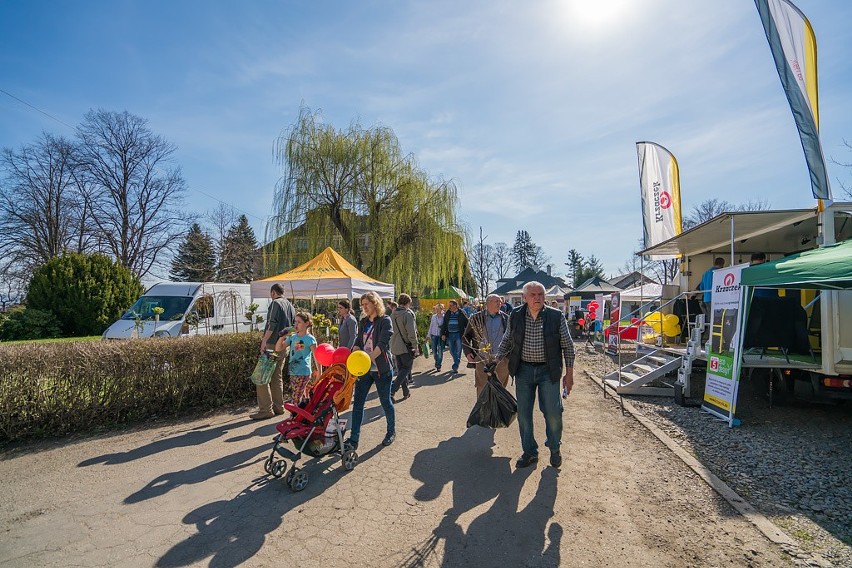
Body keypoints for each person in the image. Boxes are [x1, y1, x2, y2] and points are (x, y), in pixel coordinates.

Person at [496, 281, 575, 469]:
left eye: (540, 294)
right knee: (523, 414)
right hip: (523, 370)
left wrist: (569, 374)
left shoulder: (555, 316)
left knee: (553, 412)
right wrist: (496, 359)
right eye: (533, 295)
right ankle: (530, 452)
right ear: (524, 298)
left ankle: (555, 448)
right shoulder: (515, 315)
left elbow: (568, 346)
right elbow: (507, 339)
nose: (537, 298)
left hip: (549, 371)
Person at [345, 291, 396, 450]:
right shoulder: (364, 322)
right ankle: (353, 440)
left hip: (381, 369)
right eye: (362, 305)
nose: (364, 307)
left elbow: (382, 344)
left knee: (385, 401)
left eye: (366, 304)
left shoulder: (385, 321)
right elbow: (359, 340)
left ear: (375, 303)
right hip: (364, 370)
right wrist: (355, 349)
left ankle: (391, 431)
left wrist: (368, 359)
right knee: (358, 404)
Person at [251, 283, 296, 420]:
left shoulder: (275, 304)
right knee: (277, 377)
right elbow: (292, 327)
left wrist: (264, 340)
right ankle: (278, 406)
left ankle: (266, 409)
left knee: (261, 377)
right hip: (284, 345)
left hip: (272, 344)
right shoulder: (290, 305)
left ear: (273, 293)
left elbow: (272, 323)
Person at [462, 294, 510, 396]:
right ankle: (483, 411)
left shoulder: (506, 319)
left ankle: (498, 412)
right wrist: (468, 353)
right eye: (496, 301)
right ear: (488, 303)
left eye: (500, 302)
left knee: (500, 390)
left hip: (501, 360)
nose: (499, 303)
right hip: (482, 359)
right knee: (482, 388)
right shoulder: (476, 318)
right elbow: (466, 337)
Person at [280, 311, 318, 404]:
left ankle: (294, 415)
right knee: (300, 394)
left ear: (307, 323)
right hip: (293, 371)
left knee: (296, 396)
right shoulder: (293, 337)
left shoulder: (310, 339)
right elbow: (279, 348)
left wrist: (319, 372)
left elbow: (316, 356)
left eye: (299, 322)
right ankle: (302, 415)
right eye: (295, 322)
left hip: (303, 371)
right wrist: (282, 336)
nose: (296, 324)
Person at [390, 293, 419, 400]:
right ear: (408, 303)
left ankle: (406, 392)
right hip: (406, 346)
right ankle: (392, 390)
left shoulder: (392, 315)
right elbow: (411, 332)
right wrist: (415, 346)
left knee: (402, 369)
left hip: (395, 346)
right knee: (406, 369)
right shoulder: (407, 314)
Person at [441, 300, 470, 374]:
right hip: (450, 334)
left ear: (455, 305)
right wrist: (443, 334)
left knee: (458, 350)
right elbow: (444, 324)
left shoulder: (462, 312)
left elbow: (467, 324)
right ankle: (456, 361)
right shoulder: (448, 313)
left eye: (451, 305)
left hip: (459, 334)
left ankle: (455, 365)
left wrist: (467, 334)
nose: (449, 307)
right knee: (451, 350)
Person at [700, 257, 724, 337]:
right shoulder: (719, 272)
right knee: (716, 320)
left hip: (706, 299)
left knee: (710, 319)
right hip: (716, 299)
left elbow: (701, 287)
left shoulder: (706, 273)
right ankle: (713, 339)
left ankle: (710, 338)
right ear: (722, 264)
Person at [428, 303, 446, 372]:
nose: (437, 310)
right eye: (436, 309)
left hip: (441, 336)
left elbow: (445, 327)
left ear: (442, 309)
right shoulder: (433, 316)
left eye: (439, 309)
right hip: (434, 335)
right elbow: (431, 326)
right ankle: (437, 361)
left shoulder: (444, 317)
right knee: (434, 351)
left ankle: (438, 365)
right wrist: (428, 335)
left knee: (440, 351)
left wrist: (445, 335)